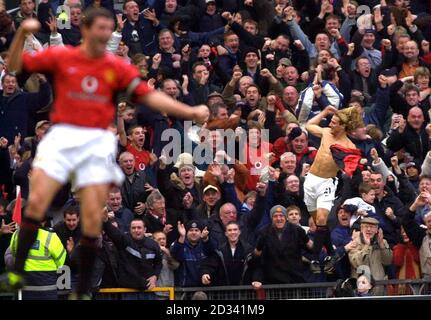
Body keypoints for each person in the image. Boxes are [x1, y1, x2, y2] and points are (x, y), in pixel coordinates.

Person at [0, 8, 209, 298]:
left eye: (109, 29)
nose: (104, 33)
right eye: (100, 27)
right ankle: (15, 273)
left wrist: (189, 110)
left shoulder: (116, 66)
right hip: (62, 137)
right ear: (85, 29)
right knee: (35, 203)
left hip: (95, 141)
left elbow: (148, 95)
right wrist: (22, 33)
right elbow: (13, 65)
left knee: (92, 216)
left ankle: (83, 288)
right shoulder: (62, 57)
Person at [304, 105, 364, 273]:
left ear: (343, 126)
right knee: (318, 224)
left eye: (335, 122)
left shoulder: (349, 146)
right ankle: (331, 252)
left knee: (322, 219)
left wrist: (357, 165)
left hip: (327, 182)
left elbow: (352, 168)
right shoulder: (325, 132)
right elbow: (308, 126)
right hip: (311, 180)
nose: (331, 124)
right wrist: (324, 111)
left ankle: (315, 259)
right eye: (331, 121)